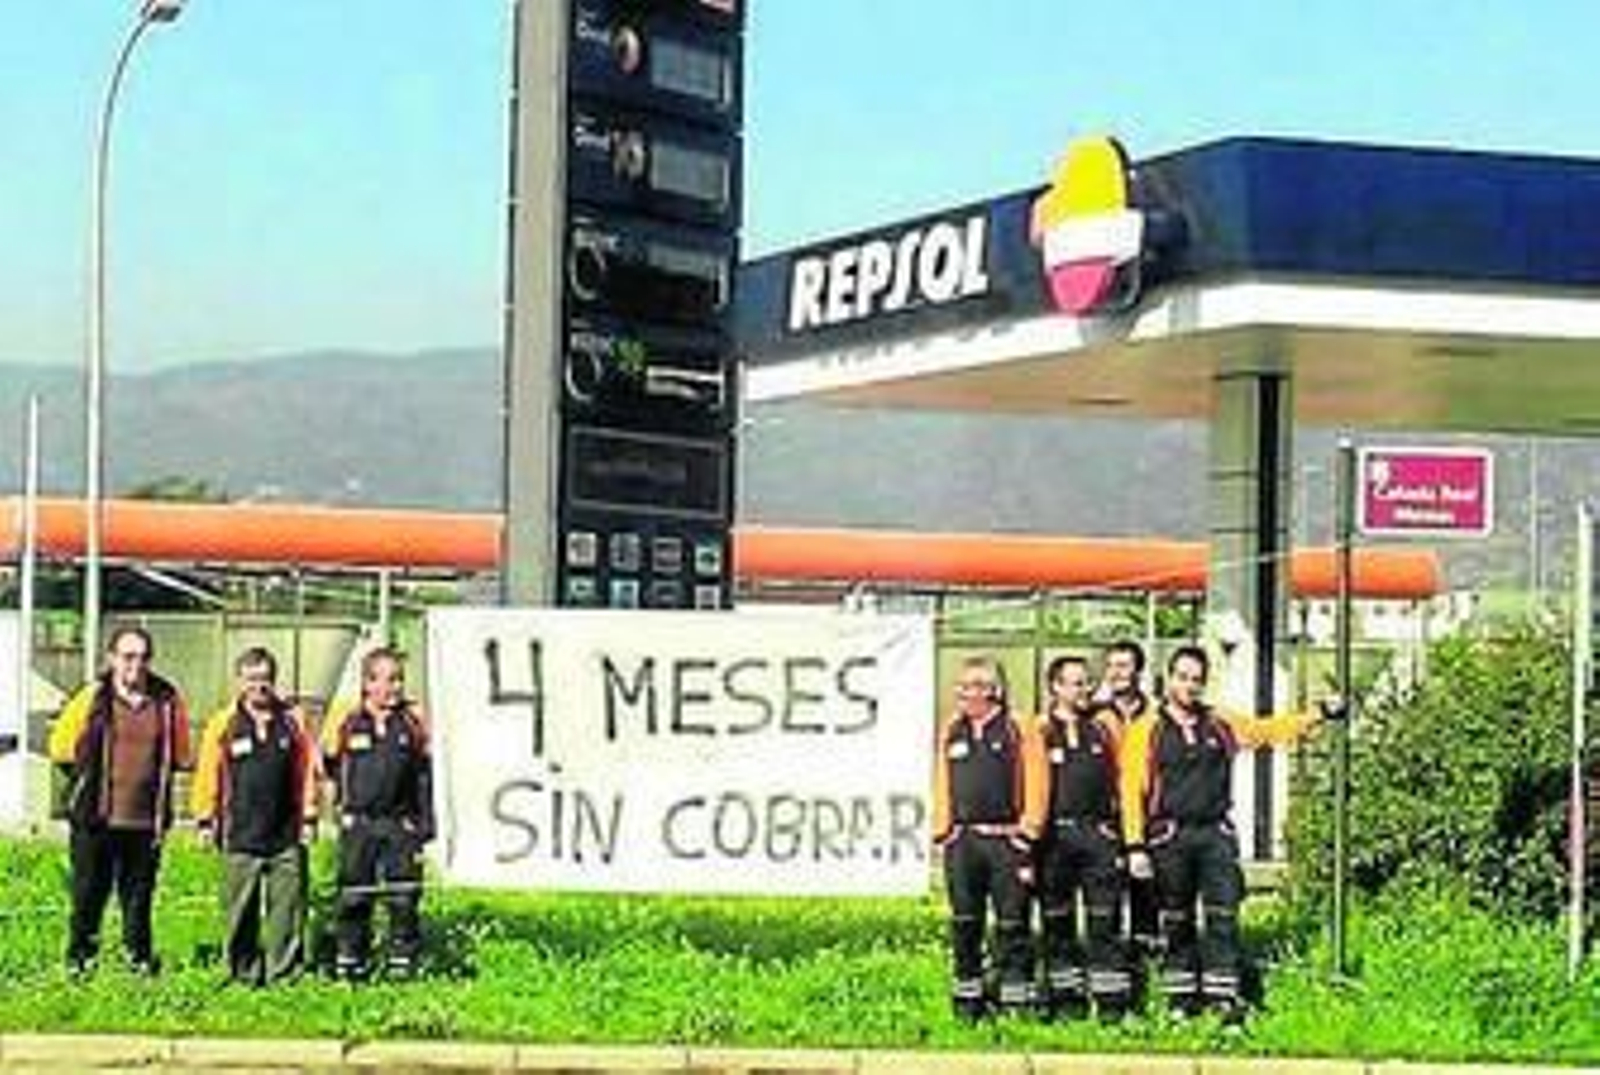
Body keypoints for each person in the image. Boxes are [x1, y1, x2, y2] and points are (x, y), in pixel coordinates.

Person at [1120, 644, 1319, 1019]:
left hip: (1215, 835)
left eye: (1197, 680)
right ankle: (1181, 1000)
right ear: (1168, 679)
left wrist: (1317, 715)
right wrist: (1134, 845)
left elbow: (1266, 732)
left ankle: (1223, 1000)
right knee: (1176, 920)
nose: (1190, 686)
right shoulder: (1147, 729)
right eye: (1183, 678)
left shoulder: (1219, 724)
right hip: (1169, 836)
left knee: (1222, 917)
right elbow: (1132, 789)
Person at [48, 624, 193, 976]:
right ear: (112, 658)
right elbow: (60, 750)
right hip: (96, 820)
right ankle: (80, 965)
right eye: (128, 657)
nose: (135, 666)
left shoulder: (167, 700)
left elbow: (181, 755)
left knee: (138, 902)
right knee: (87, 898)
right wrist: (87, 784)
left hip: (145, 822)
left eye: (143, 658)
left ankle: (138, 967)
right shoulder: (92, 697)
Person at [191, 647, 319, 985]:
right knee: (239, 911)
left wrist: (309, 817)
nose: (258, 686)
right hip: (240, 834)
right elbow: (207, 772)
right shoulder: (224, 723)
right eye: (251, 679)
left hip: (285, 835)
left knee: (287, 911)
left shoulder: (292, 722)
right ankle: (242, 973)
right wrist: (205, 820)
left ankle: (284, 974)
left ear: (273, 681)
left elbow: (307, 771)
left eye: (264, 678)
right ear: (240, 681)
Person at [930, 654, 1046, 1020]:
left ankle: (1015, 1002)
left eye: (974, 686)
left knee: (1012, 924)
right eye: (961, 686)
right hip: (963, 843)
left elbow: (1039, 779)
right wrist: (942, 831)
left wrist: (1028, 831)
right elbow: (941, 779)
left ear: (993, 690)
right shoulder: (952, 728)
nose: (965, 694)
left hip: (1007, 841)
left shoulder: (1018, 726)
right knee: (965, 923)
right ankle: (968, 1003)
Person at [322, 646, 434, 981]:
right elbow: (325, 766)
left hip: (400, 824)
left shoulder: (413, 722)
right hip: (358, 824)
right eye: (390, 679)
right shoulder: (346, 720)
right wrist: (333, 813)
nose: (397, 687)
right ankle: (351, 964)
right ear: (368, 683)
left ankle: (402, 967)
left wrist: (424, 824)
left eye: (399, 679)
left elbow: (427, 772)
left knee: (404, 897)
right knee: (354, 896)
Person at [1033, 655, 1130, 1018]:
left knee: (1104, 919)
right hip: (1055, 838)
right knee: (1057, 921)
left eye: (1086, 681)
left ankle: (1111, 1004)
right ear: (1055, 687)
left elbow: (1124, 778)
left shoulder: (1104, 727)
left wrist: (1120, 832)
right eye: (1074, 682)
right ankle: (1065, 1001)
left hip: (1098, 835)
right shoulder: (1039, 729)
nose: (1082, 689)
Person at [1097, 639, 1162, 958]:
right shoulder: (1095, 716)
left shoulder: (1159, 716)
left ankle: (1145, 958)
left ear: (1138, 669)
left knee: (1147, 892)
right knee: (1108, 893)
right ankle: (1111, 960)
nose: (1115, 673)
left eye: (1123, 665)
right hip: (1107, 817)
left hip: (1148, 817)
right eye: (1111, 666)